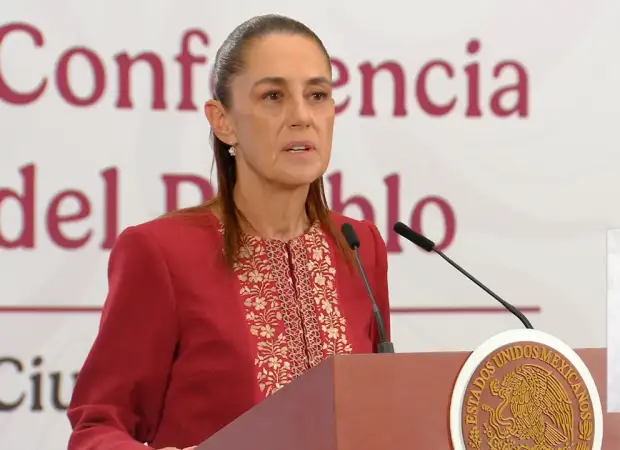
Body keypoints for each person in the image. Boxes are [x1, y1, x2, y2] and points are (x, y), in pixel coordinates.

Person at [66, 14, 392, 450]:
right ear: (223, 121)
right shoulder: (161, 252)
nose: (301, 117)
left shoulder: (360, 245)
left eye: (317, 95)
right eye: (273, 96)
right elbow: (97, 425)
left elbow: (378, 414)